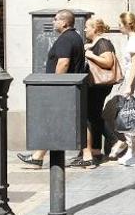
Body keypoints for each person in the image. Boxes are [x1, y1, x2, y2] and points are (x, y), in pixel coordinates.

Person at [17, 9, 85, 168]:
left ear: (64, 22)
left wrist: (55, 85)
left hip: (62, 89)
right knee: (55, 122)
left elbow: (63, 62)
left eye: (55, 19)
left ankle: (38, 157)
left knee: (52, 121)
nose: (53, 22)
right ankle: (38, 156)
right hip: (69, 87)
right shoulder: (75, 37)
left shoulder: (65, 39)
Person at [103, 12, 135, 166]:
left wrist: (129, 86)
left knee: (132, 116)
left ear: (127, 25)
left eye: (120, 25)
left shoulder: (134, 40)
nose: (118, 28)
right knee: (132, 116)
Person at [67, 17, 116, 168]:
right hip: (94, 84)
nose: (85, 29)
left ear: (95, 29)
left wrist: (90, 55)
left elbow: (108, 62)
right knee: (93, 116)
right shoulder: (94, 43)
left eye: (88, 27)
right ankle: (95, 151)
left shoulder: (103, 42)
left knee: (91, 116)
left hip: (99, 85)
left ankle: (113, 141)